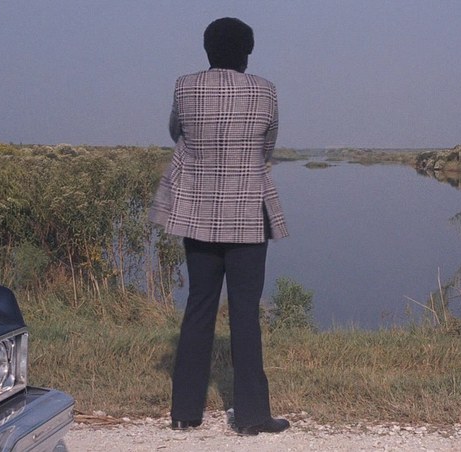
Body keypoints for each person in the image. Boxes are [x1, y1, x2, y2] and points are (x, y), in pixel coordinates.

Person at [148, 17, 290, 436]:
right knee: (245, 312)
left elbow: (176, 132)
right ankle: (252, 416)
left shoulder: (185, 86)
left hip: (198, 212)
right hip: (248, 213)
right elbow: (267, 146)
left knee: (199, 305)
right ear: (247, 52)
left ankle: (184, 412)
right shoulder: (265, 90)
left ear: (207, 50)